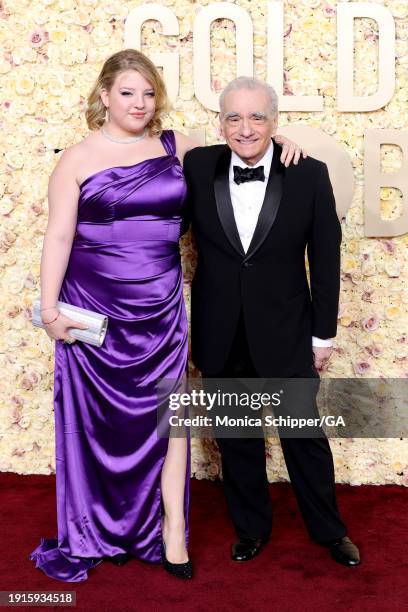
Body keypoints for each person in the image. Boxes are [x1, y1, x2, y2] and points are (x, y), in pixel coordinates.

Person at [29, 51, 303, 582]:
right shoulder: (77, 158)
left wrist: (287, 141)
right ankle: (94, 527)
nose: (139, 103)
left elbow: (245, 148)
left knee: (171, 418)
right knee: (100, 424)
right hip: (94, 306)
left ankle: (173, 532)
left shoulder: (180, 148)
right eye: (128, 92)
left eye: (149, 93)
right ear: (104, 95)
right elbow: (58, 236)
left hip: (161, 305)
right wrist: (48, 310)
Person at [182, 76, 361, 567]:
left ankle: (329, 532)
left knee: (303, 437)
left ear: (275, 122)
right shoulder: (197, 166)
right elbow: (158, 219)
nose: (245, 128)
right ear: (220, 122)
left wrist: (323, 333)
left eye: (257, 117)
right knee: (237, 439)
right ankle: (252, 528)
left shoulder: (307, 174)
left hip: (286, 329)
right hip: (221, 329)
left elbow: (325, 260)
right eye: (233, 117)